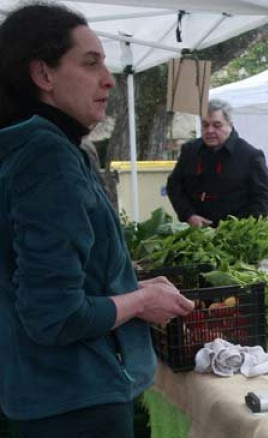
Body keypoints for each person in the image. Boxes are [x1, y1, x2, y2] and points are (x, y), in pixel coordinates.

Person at [0, 4, 194, 436]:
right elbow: (55, 316)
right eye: (90, 64)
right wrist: (140, 302)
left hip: (40, 394)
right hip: (75, 404)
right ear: (43, 75)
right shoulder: (47, 159)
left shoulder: (30, 149)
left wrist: (130, 287)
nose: (108, 78)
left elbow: (39, 285)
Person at [167, 99, 268, 227]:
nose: (210, 130)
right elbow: (174, 186)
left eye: (217, 125)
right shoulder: (190, 151)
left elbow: (263, 198)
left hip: (236, 236)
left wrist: (240, 226)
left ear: (230, 125)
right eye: (205, 125)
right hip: (196, 233)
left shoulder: (250, 156)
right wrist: (189, 215)